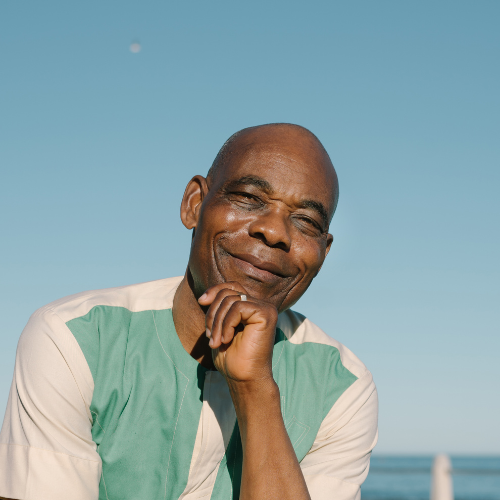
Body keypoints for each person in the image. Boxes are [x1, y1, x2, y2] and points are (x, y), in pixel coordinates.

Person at [0, 123, 378, 500]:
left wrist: (255, 389)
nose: (274, 232)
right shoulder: (76, 339)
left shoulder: (342, 390)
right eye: (250, 198)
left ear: (323, 253)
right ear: (194, 204)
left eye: (306, 221)